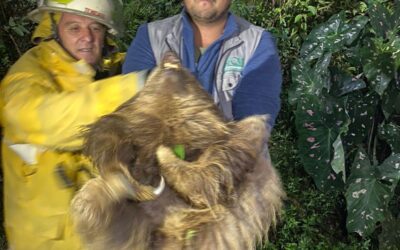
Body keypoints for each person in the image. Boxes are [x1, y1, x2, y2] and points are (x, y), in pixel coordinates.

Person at [0, 0, 143, 249]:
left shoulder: (111, 70)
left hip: (106, 237)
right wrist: (137, 86)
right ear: (54, 29)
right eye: (74, 28)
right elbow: (38, 117)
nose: (87, 37)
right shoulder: (27, 75)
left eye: (96, 28)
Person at [122, 0, 282, 129]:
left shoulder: (257, 43)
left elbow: (253, 127)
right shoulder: (151, 36)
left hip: (231, 166)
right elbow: (134, 115)